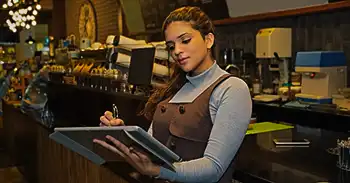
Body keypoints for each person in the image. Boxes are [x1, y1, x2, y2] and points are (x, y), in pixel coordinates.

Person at [94, 6, 252, 183]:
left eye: (185, 40)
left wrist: (157, 170)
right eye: (171, 46)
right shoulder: (173, 88)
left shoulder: (231, 89)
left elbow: (213, 168)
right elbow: (152, 150)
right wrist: (123, 135)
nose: (177, 51)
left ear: (208, 40)